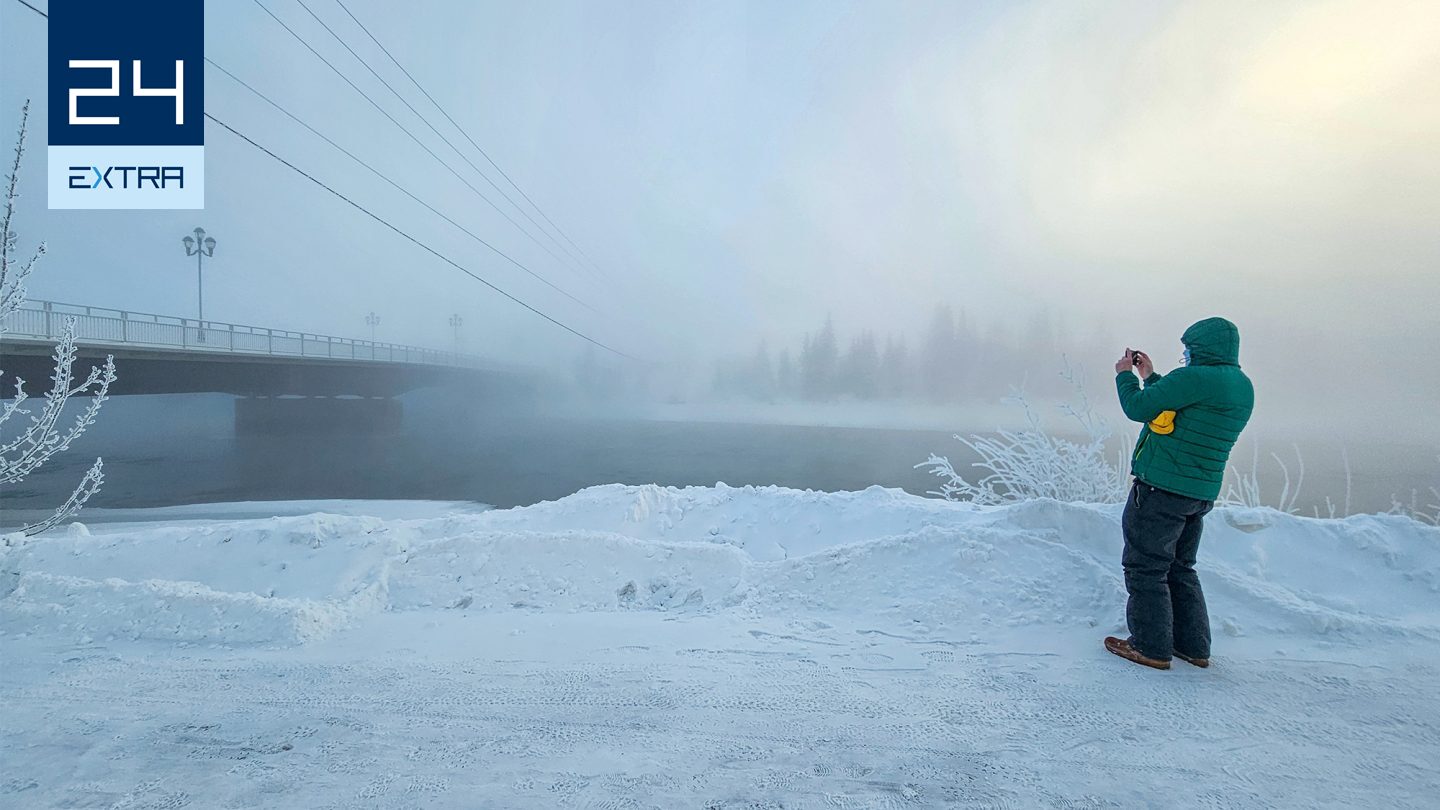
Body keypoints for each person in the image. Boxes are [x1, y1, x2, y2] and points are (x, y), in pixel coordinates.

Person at [1104, 317, 1254, 670]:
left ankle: (1150, 647)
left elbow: (1139, 408)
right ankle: (1193, 646)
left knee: (1145, 568)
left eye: (1188, 349)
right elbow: (1184, 409)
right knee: (1180, 567)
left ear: (1200, 348)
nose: (1185, 355)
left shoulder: (1195, 378)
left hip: (1160, 489)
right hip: (1198, 493)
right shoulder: (1240, 385)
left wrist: (1125, 375)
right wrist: (1151, 378)